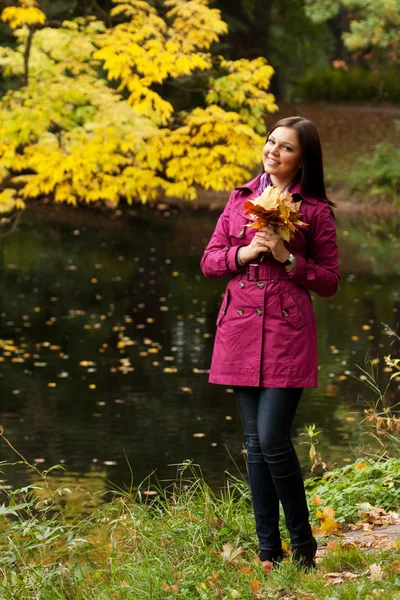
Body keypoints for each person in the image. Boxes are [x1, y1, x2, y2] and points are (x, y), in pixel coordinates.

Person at [200, 116, 340, 569]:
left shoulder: (315, 210)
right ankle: (268, 550)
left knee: (273, 439)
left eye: (286, 148)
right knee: (255, 443)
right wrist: (243, 253)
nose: (273, 151)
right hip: (239, 331)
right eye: (270, 142)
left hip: (286, 333)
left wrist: (288, 259)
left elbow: (331, 281)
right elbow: (209, 261)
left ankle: (303, 547)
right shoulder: (239, 198)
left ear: (304, 158)